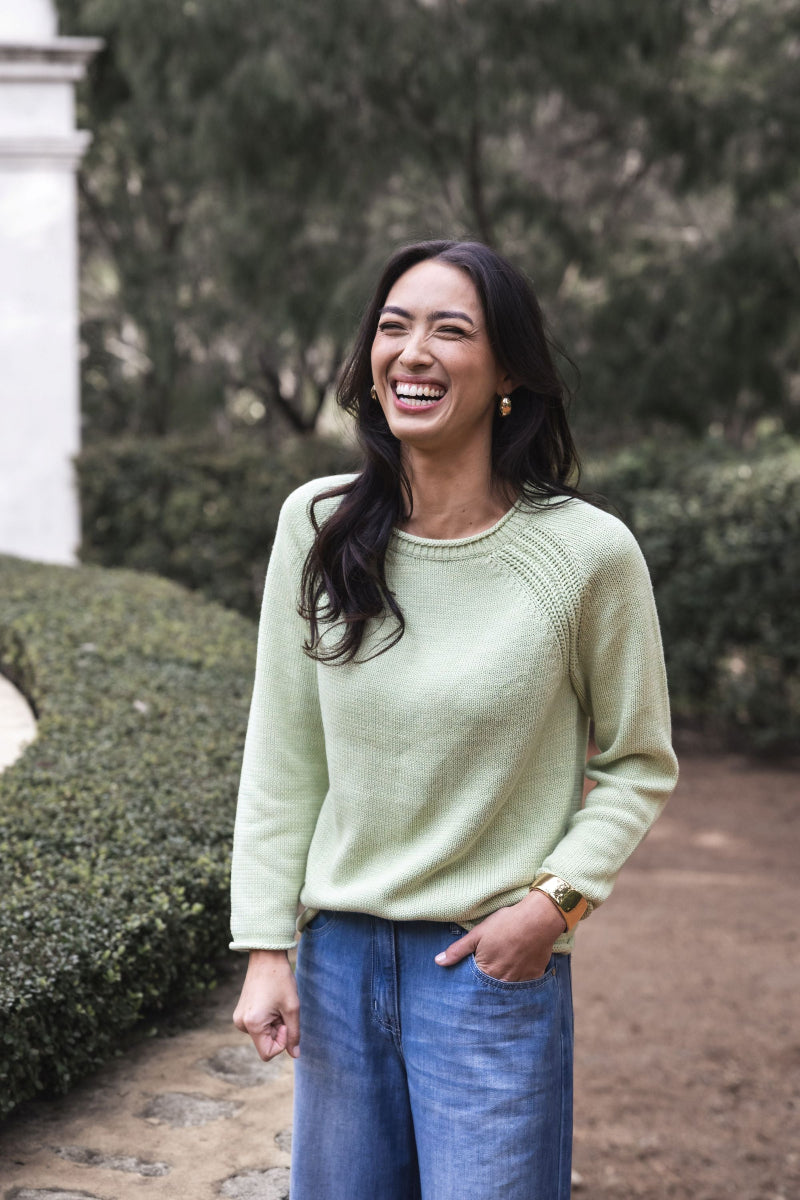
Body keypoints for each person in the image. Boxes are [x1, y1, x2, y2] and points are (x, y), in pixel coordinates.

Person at [230, 240, 678, 1200]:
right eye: (393, 327)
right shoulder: (315, 527)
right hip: (339, 964)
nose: (412, 351)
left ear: (508, 372)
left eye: (450, 329)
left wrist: (554, 903)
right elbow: (283, 753)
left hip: (486, 967)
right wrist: (269, 950)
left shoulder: (586, 555)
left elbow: (640, 763)